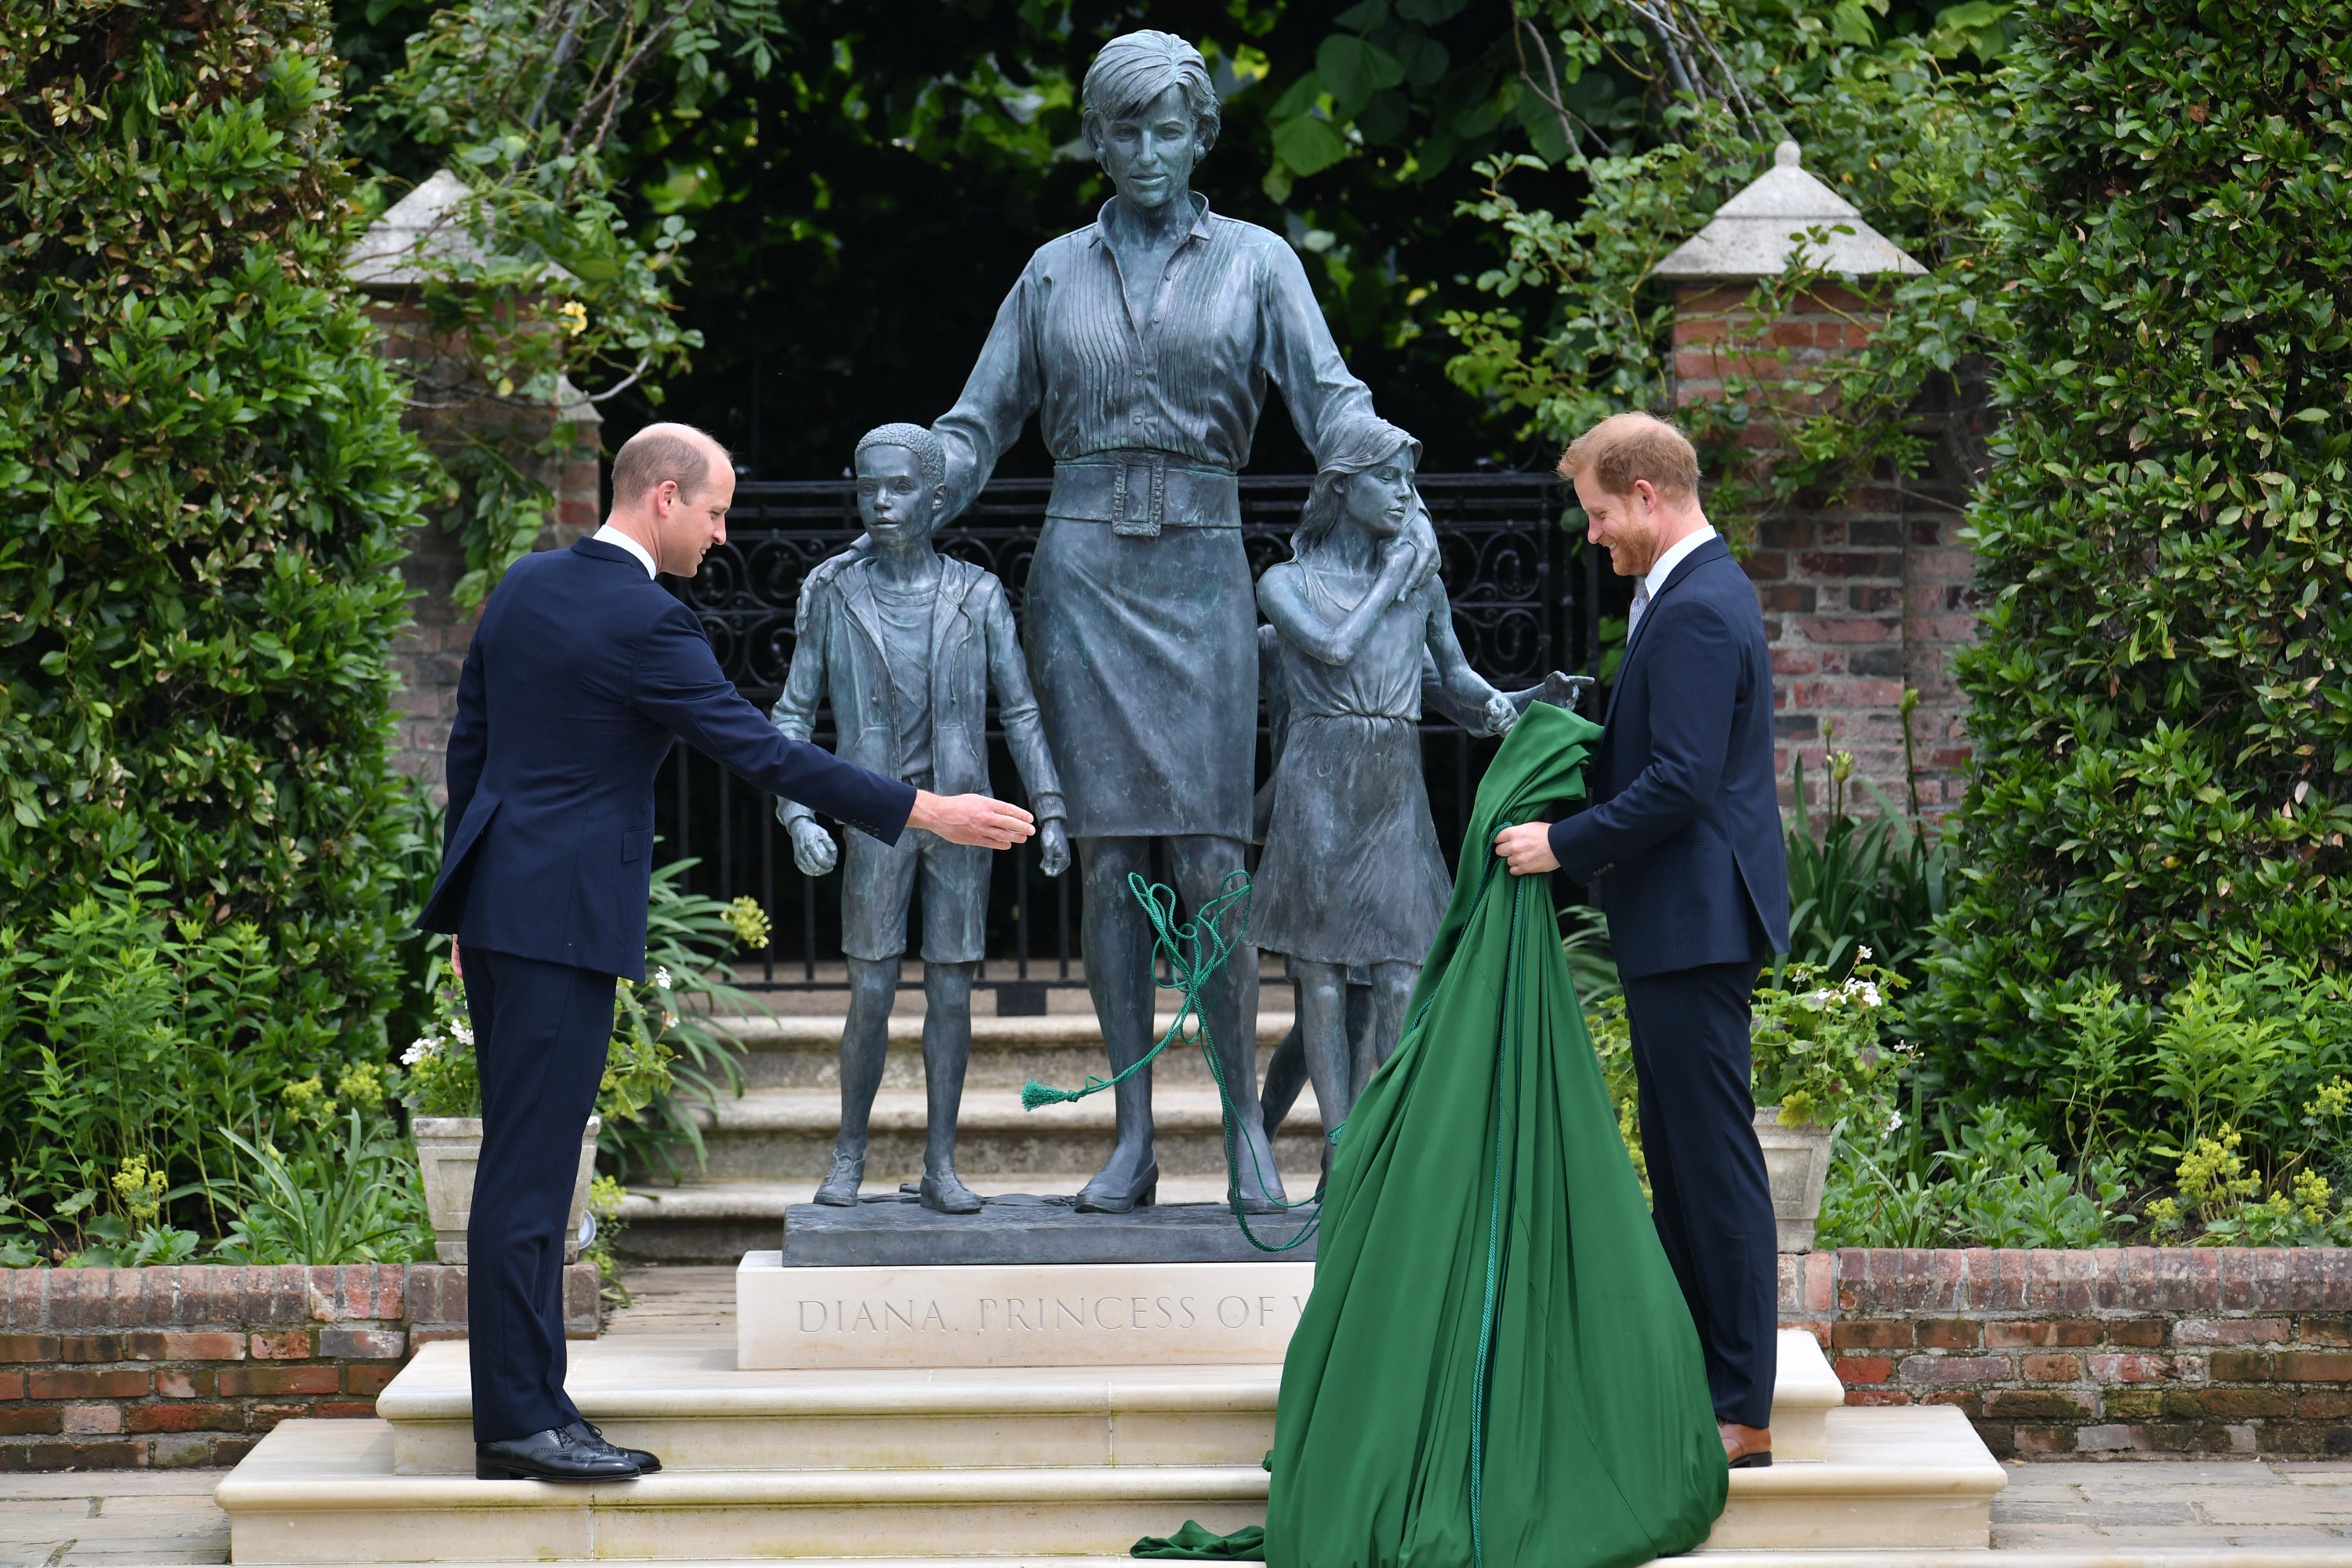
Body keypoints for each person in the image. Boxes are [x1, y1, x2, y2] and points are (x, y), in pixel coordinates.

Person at [418, 423, 1034, 1483]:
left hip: (509, 914)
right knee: (530, 1177)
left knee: (523, 1170)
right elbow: (762, 749)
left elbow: (471, 747)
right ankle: (523, 1424)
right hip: (560, 921)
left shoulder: (525, 585)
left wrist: (467, 904)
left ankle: (531, 1410)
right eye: (715, 512)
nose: (721, 533)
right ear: (663, 497)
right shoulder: (644, 620)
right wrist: (924, 807)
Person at [924, 31, 1437, 1214]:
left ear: (1202, 137)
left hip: (1203, 573)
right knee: (1108, 863)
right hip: (1085, 574)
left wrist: (1394, 490)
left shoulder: (1259, 263)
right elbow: (979, 419)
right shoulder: (1052, 272)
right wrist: (918, 492)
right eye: (1125, 130)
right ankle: (1134, 1137)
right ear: (1095, 139)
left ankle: (1245, 1133)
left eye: (1170, 129)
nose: (1148, 152)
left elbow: (1331, 399)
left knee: (1211, 860)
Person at [1492, 411, 1791, 1468]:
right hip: (1676, 920)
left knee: (1712, 1166)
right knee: (1680, 1161)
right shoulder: (1679, 594)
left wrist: (1562, 845)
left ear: (1649, 498)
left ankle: (1743, 1408)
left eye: (1600, 513)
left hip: (1698, 923)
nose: (1593, 534)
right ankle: (1699, 1383)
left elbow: (1681, 779)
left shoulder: (1703, 605)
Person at [770, 423, 1072, 1214]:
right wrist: (798, 810)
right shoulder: (834, 593)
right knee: (869, 991)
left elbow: (1023, 707)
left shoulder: (976, 594)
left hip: (963, 823)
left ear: (936, 498)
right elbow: (793, 714)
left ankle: (942, 1162)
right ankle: (850, 1152)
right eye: (868, 487)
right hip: (875, 821)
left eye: (898, 487)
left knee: (952, 993)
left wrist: (1051, 807)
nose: (880, 502)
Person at [1251, 426, 1516, 1136]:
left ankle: (1391, 1147)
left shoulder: (1419, 587)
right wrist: (1393, 579)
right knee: (1322, 980)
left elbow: (1456, 680)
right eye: (1390, 479)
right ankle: (1340, 1151)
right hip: (1318, 781)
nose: (1406, 494)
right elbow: (1334, 650)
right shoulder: (1285, 582)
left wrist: (1517, 704)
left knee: (1403, 968)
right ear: (1341, 488)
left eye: (1409, 480)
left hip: (1391, 784)